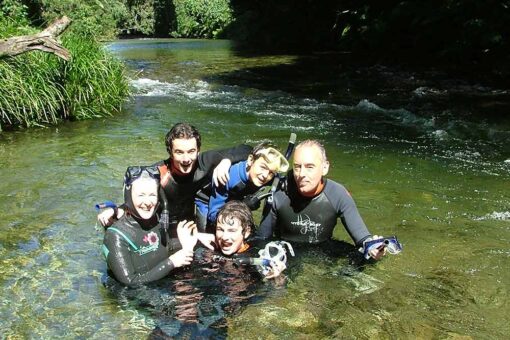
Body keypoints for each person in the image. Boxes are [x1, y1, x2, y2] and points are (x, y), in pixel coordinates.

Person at [98, 123, 252, 235]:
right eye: (179, 152)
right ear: (170, 152)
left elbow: (247, 150)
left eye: (191, 151)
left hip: (191, 226)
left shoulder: (206, 162)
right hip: (162, 228)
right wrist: (114, 210)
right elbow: (135, 200)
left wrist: (226, 161)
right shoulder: (158, 174)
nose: (186, 159)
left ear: (198, 150)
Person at [258, 139, 386, 260]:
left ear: (325, 168)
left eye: (309, 167)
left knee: (364, 258)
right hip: (286, 250)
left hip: (322, 249)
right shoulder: (278, 193)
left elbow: (362, 238)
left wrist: (373, 247)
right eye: (297, 167)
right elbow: (262, 240)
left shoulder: (337, 194)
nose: (301, 174)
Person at [102, 166, 199, 287]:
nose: (147, 202)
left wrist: (191, 243)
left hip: (163, 287)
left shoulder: (158, 220)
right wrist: (171, 262)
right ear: (128, 196)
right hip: (132, 297)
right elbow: (129, 282)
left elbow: (165, 249)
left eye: (152, 195)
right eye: (141, 195)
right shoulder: (116, 235)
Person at [201, 142, 289, 229]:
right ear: (251, 160)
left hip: (233, 199)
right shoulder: (227, 177)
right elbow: (213, 216)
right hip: (206, 200)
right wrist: (243, 206)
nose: (265, 175)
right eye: (263, 167)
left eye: (271, 172)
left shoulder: (266, 177)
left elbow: (282, 178)